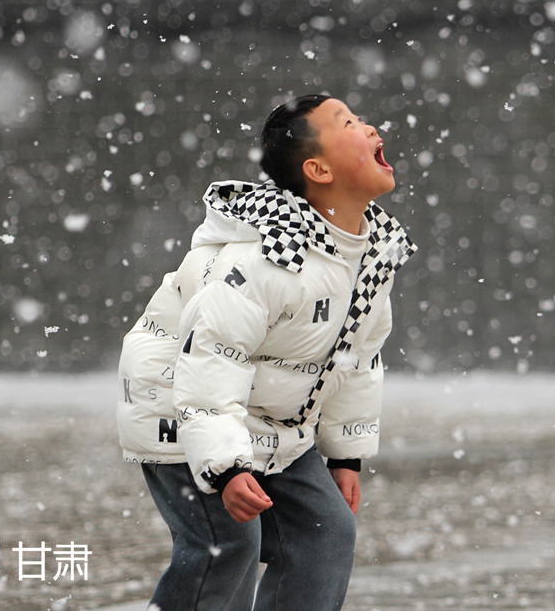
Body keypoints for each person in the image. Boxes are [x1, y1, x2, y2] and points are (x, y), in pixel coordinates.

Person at [116, 94, 416, 610]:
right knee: (228, 545)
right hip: (180, 403)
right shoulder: (270, 259)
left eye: (362, 118)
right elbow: (212, 356)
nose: (369, 127)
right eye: (348, 123)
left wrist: (344, 454)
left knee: (324, 533)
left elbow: (357, 360)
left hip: (272, 423)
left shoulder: (368, 259)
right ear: (318, 169)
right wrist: (228, 468)